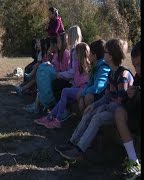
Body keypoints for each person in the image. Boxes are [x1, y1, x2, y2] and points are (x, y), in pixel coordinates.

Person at [55, 39, 134, 161]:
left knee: (97, 117)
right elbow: (107, 96)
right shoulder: (111, 74)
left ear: (111, 56)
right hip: (111, 107)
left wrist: (102, 108)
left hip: (119, 112)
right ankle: (72, 142)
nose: (104, 54)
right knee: (89, 112)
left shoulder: (122, 75)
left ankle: (80, 150)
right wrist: (95, 105)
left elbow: (120, 103)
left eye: (106, 52)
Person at [35, 42, 90, 129]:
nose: (74, 55)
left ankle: (58, 120)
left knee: (65, 91)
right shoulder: (77, 65)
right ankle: (49, 117)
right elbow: (76, 80)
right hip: (76, 89)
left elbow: (86, 83)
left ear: (80, 54)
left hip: (82, 90)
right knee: (62, 99)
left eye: (76, 53)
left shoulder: (88, 67)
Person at [114, 41, 141, 178]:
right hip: (136, 116)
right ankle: (133, 160)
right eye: (135, 66)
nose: (138, 70)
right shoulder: (138, 77)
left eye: (140, 65)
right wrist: (128, 96)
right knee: (119, 112)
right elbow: (131, 103)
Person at [77, 39, 111, 113]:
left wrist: (85, 92)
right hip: (97, 94)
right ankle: (84, 117)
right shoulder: (95, 66)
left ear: (94, 56)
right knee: (80, 94)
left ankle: (89, 117)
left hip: (104, 96)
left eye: (90, 53)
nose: (88, 55)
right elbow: (89, 83)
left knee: (88, 97)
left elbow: (98, 87)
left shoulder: (103, 67)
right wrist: (83, 93)